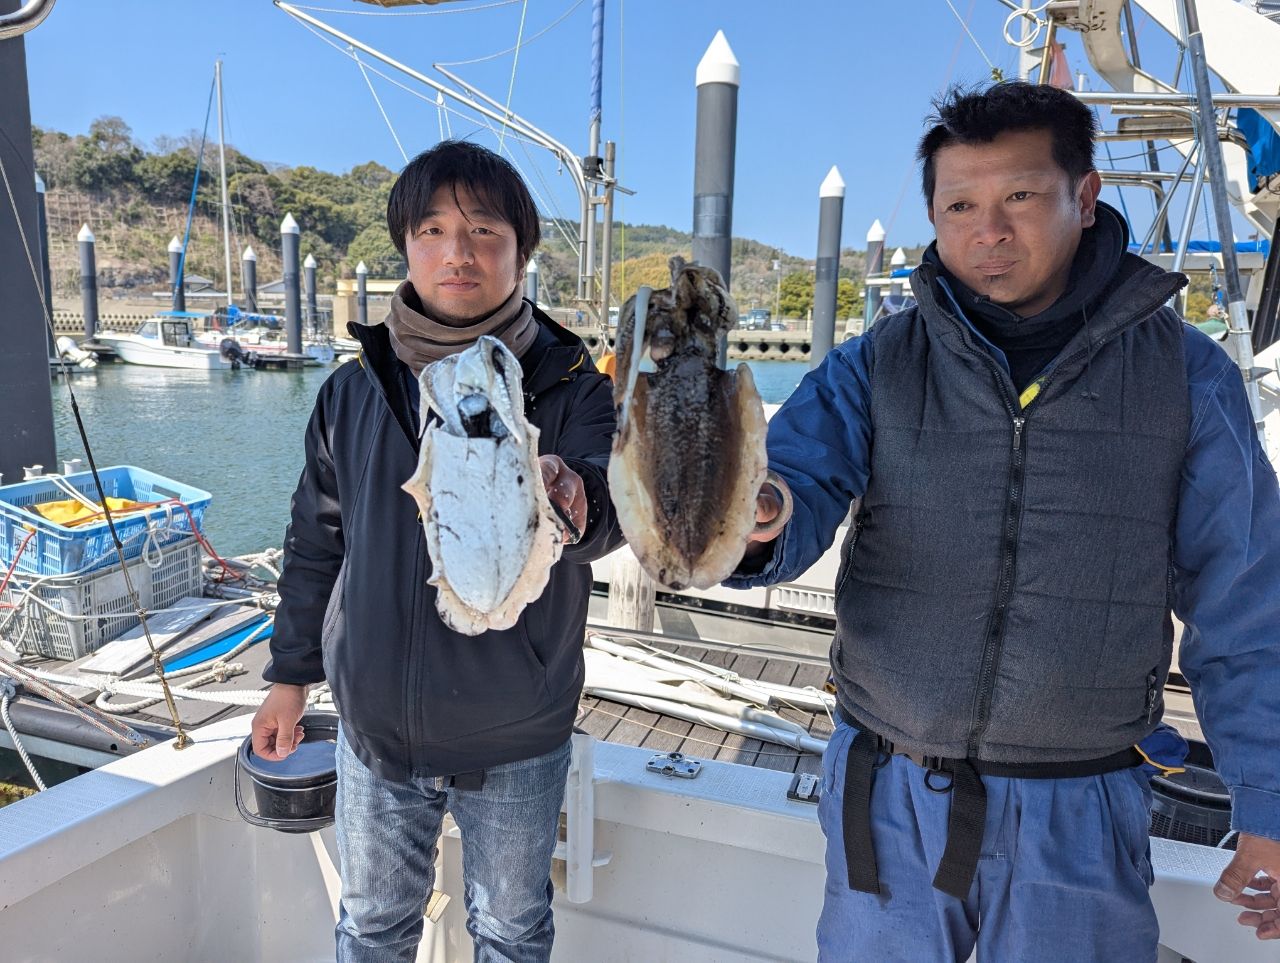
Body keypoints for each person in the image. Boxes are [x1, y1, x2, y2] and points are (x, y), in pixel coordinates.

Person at [733, 81, 1280, 960]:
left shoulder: (1185, 375)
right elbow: (793, 481)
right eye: (960, 206)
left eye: (1020, 196)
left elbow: (1246, 597)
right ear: (933, 216)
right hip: (889, 795)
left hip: (1083, 805)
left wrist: (1268, 801)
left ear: (1085, 196)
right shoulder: (875, 364)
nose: (988, 231)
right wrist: (760, 514)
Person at [251, 140, 622, 962]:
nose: (459, 252)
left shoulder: (573, 384)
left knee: (512, 930)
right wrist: (288, 676)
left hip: (519, 728)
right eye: (433, 230)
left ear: (520, 251)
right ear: (406, 246)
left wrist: (574, 496)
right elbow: (316, 541)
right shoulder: (352, 390)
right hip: (378, 729)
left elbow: (610, 506)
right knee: (372, 925)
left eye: (485, 230)